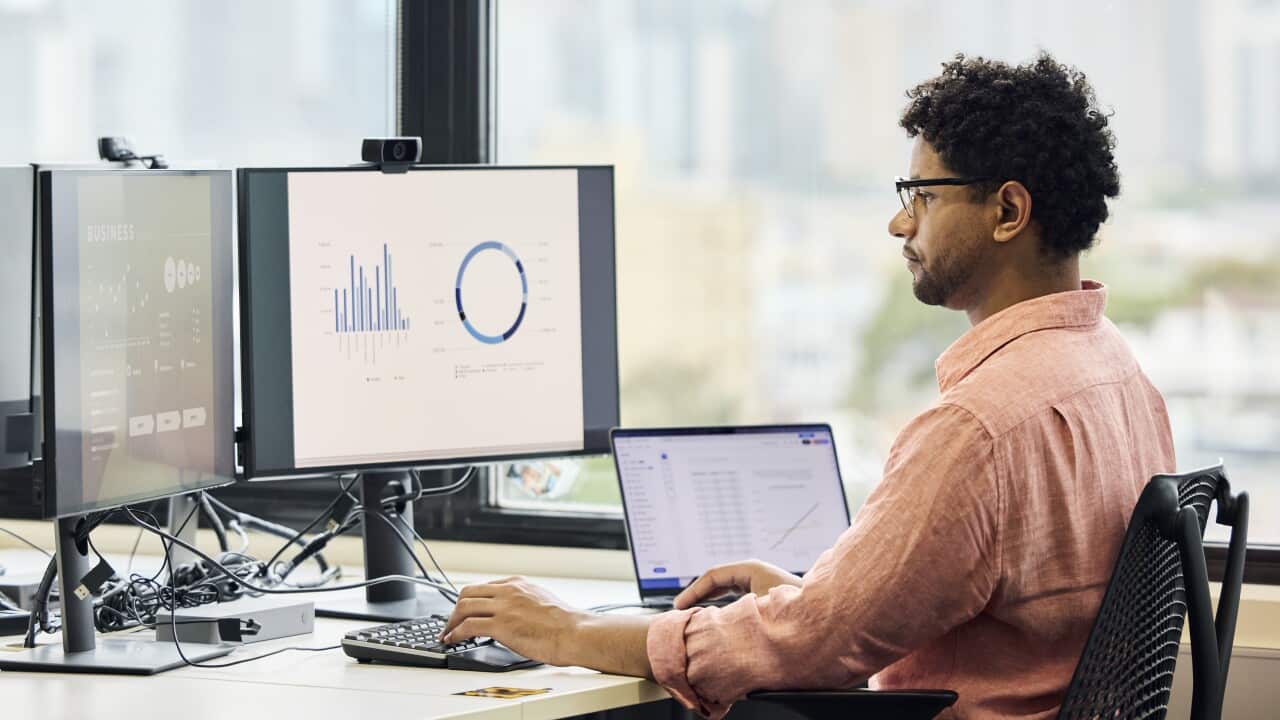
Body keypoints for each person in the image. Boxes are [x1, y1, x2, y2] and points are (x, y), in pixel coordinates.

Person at [440, 53, 1176, 719]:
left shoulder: (980, 429)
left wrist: (570, 631)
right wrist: (813, 599)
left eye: (921, 196)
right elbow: (902, 609)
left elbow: (812, 648)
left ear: (1008, 212)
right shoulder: (1120, 375)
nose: (898, 223)